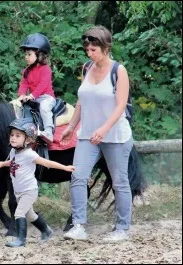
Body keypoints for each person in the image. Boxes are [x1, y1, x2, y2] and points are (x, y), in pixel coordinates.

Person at [60, 25, 134, 242]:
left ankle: (121, 229)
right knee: (78, 176)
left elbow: (120, 105)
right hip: (88, 135)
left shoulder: (118, 71)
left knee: (119, 181)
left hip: (115, 136)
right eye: (88, 49)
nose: (90, 53)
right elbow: (82, 100)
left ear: (106, 47)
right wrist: (71, 126)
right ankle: (79, 225)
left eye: (94, 49)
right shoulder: (86, 68)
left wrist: (104, 129)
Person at [0, 118, 75, 247]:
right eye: (12, 135)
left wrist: (65, 167)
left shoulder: (29, 154)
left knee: (19, 213)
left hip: (29, 190)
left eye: (18, 135)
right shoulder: (13, 151)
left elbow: (47, 163)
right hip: (19, 191)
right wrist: (3, 163)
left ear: (28, 139)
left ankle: (21, 240)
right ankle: (46, 231)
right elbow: (14, 162)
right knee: (30, 215)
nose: (13, 138)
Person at [17, 32, 56, 144]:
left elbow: (42, 85)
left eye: (29, 54)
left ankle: (48, 131)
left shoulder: (46, 69)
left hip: (46, 97)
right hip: (34, 98)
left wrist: (32, 95)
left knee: (44, 107)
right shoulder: (26, 71)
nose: (26, 57)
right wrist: (22, 96)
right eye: (25, 54)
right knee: (18, 107)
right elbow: (24, 84)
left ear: (39, 55)